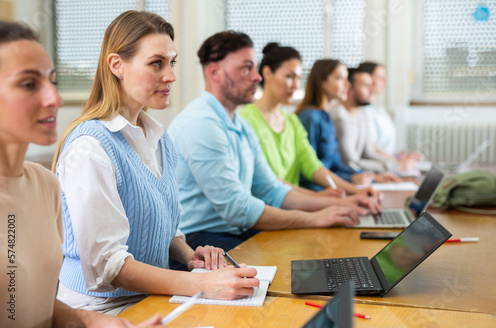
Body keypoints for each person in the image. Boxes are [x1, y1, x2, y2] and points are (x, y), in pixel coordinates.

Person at [51, 11, 259, 315]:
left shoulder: (159, 138)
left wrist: (191, 257)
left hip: (153, 297)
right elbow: (110, 267)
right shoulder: (89, 148)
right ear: (117, 65)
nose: (171, 75)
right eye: (156, 63)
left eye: (171, 62)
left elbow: (165, 228)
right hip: (101, 309)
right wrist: (202, 284)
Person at [0, 20, 162, 327]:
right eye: (28, 84)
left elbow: (33, 303)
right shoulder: (89, 145)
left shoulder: (45, 185)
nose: (55, 99)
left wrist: (96, 323)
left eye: (52, 81)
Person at [168, 31, 375, 253]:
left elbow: (270, 188)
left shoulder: (239, 124)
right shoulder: (202, 123)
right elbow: (237, 209)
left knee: (320, 248)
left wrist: (335, 204)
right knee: (305, 255)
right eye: (246, 68)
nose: (257, 77)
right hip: (201, 243)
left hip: (235, 231)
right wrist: (314, 218)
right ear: (215, 72)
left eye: (255, 68)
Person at [239, 43, 383, 198]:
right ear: (267, 73)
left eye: (299, 78)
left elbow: (313, 166)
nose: (296, 85)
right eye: (289, 77)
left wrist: (356, 191)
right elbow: (268, 182)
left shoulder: (291, 120)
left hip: (295, 205)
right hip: (271, 211)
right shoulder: (246, 120)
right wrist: (317, 197)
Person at [295, 59, 399, 190]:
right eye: (340, 78)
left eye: (347, 79)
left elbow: (335, 165)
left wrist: (369, 176)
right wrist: (351, 182)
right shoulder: (310, 117)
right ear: (322, 82)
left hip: (330, 188)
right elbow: (309, 171)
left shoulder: (326, 117)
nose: (347, 85)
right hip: (317, 191)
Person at [329, 68, 405, 174]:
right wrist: (391, 166)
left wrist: (395, 163)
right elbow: (351, 163)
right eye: (365, 86)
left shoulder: (361, 115)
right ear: (349, 89)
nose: (372, 90)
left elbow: (368, 152)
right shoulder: (340, 118)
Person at [358, 61, 423, 167]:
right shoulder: (364, 111)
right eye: (380, 77)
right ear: (367, 79)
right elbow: (372, 149)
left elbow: (383, 148)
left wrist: (400, 156)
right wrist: (396, 161)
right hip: (377, 166)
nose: (385, 81)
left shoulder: (378, 109)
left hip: (387, 163)